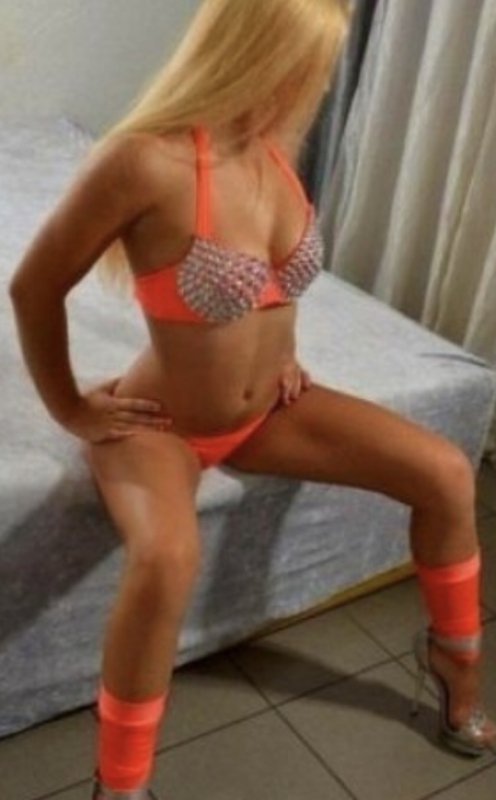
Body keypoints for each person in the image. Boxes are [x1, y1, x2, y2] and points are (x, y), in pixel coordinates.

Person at [8, 0, 495, 797]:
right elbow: (34, 287)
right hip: (163, 423)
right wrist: (69, 408)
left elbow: (269, 288)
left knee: (444, 470)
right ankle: (120, 784)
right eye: (306, 66)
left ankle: (454, 663)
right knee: (168, 557)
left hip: (269, 411)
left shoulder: (271, 147)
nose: (318, 85)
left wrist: (286, 353)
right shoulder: (143, 160)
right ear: (251, 54)